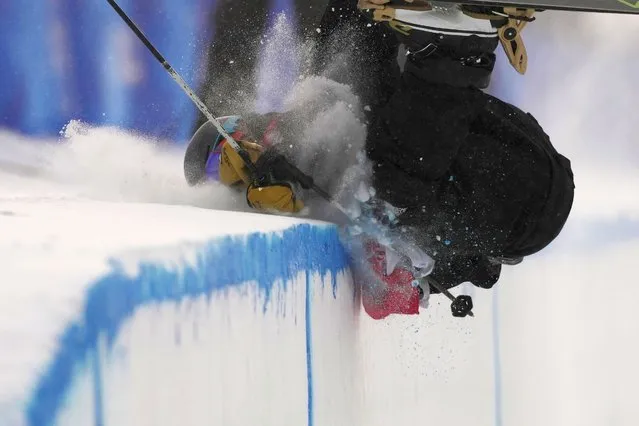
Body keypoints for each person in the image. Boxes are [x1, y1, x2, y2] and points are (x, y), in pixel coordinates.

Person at [184, 1, 575, 319]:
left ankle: (437, 28)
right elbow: (401, 283)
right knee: (385, 182)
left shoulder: (322, 111)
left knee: (345, 48)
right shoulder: (313, 194)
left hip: (511, 150)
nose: (238, 160)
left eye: (231, 142)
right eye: (223, 170)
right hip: (518, 205)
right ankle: (459, 42)